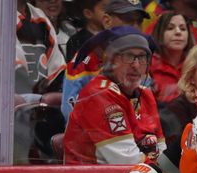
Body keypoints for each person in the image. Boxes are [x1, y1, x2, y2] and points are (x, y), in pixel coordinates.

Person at [63, 28, 164, 164]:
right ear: (110, 62)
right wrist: (168, 169)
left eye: (141, 57)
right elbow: (127, 161)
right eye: (128, 56)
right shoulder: (99, 95)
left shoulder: (145, 93)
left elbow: (161, 148)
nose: (136, 65)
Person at [149, 11, 194, 103]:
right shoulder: (148, 65)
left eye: (183, 29)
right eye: (170, 28)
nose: (178, 32)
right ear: (159, 33)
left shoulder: (195, 65)